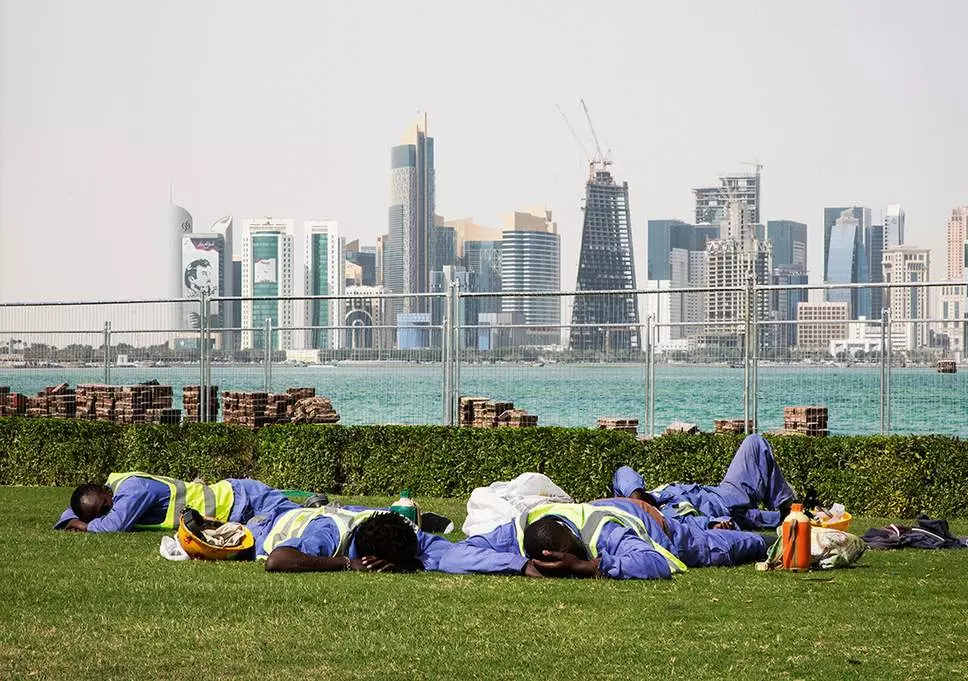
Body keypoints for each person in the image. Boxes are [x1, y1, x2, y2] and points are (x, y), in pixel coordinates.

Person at [437, 497, 765, 580]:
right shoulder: (522, 530)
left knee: (749, 544)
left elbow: (653, 562)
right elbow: (454, 556)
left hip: (661, 528)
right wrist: (520, 565)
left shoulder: (602, 531)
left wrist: (586, 566)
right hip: (626, 506)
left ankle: (771, 533)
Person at [612, 433, 796, 530]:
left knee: (754, 442)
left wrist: (637, 500)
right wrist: (713, 524)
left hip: (726, 493)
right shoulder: (662, 521)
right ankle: (794, 512)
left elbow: (624, 472)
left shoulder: (648, 495)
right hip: (732, 517)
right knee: (788, 521)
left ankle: (787, 504)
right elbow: (691, 529)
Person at [55, 472, 297, 533]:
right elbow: (72, 511)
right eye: (100, 513)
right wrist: (73, 518)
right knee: (292, 522)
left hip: (242, 500)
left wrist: (84, 525)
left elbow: (114, 526)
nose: (109, 511)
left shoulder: (133, 490)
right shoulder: (113, 487)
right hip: (236, 507)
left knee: (301, 519)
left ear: (104, 491)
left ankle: (330, 511)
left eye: (106, 507)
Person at [253, 505, 453, 573]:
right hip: (264, 525)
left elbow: (451, 554)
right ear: (371, 558)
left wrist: (410, 565)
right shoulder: (330, 535)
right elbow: (276, 561)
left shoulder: (402, 531)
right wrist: (347, 563)